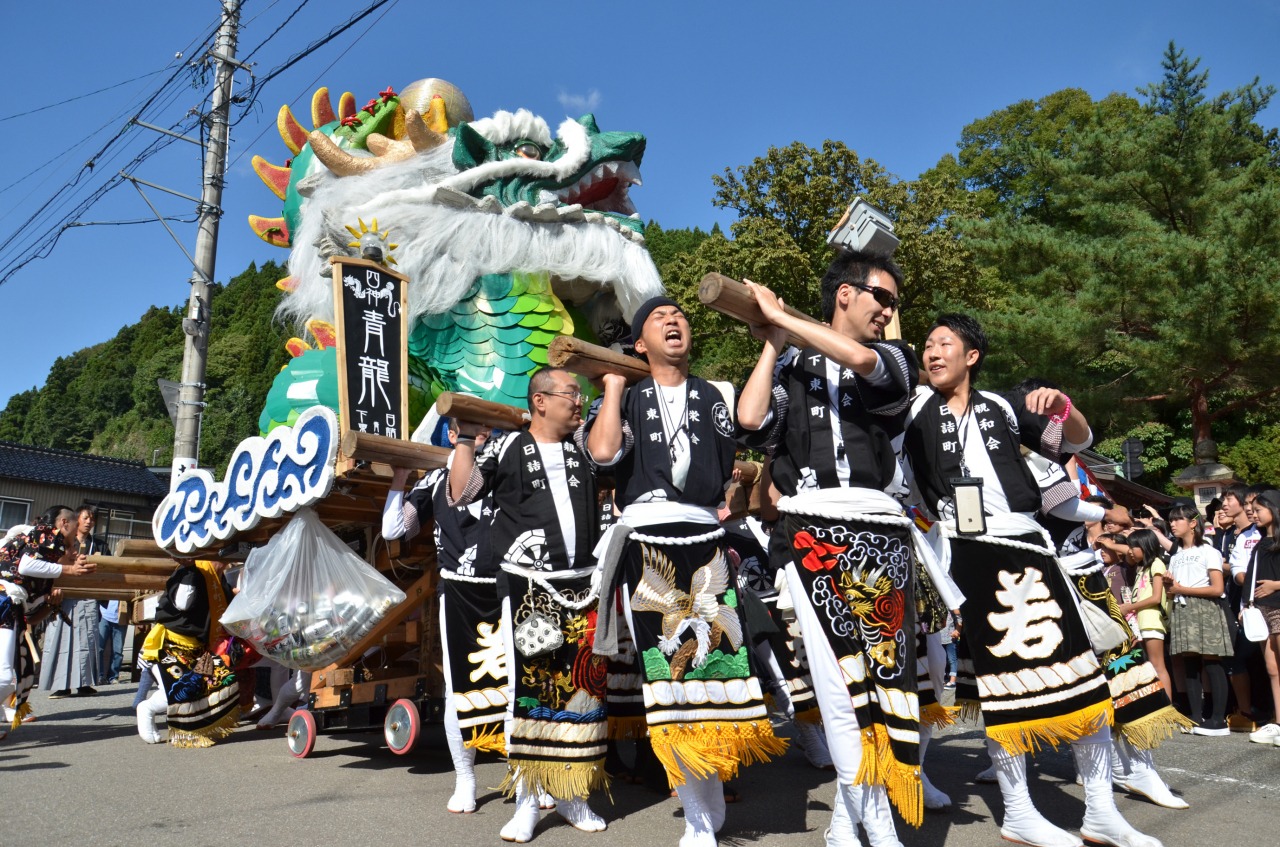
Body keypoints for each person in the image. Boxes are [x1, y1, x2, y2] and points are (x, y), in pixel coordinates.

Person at [901, 313, 1159, 847]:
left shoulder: (1002, 407)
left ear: (971, 356)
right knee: (1004, 691)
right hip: (970, 553)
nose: (931, 351)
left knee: (1085, 679)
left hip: (1033, 549)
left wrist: (1063, 405)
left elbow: (1077, 439)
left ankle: (1101, 810)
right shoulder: (910, 409)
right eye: (926, 344)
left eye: (943, 343)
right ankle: (1018, 811)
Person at [735, 253, 950, 846]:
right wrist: (774, 342)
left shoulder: (897, 360)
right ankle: (872, 822)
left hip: (878, 527)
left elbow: (859, 360)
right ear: (845, 294)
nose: (888, 311)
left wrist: (782, 314)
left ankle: (848, 818)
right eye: (881, 297)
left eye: (893, 302)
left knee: (885, 678)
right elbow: (750, 419)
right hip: (809, 528)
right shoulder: (794, 362)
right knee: (834, 680)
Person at [586, 296, 786, 847]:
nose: (673, 321)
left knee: (718, 664)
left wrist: (773, 342)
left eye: (679, 315)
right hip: (648, 541)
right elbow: (603, 455)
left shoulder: (714, 393)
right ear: (640, 343)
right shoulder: (628, 395)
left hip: (705, 537)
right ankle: (697, 816)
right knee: (669, 674)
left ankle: (711, 788)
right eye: (658, 318)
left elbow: (752, 419)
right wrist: (612, 385)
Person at [450, 367, 609, 843]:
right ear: (540, 401)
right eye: (570, 394)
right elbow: (462, 494)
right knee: (532, 691)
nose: (578, 402)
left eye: (580, 395)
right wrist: (463, 440)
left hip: (583, 586)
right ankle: (526, 801)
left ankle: (572, 794)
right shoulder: (508, 447)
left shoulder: (585, 449)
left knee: (583, 689)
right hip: (528, 588)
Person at [383, 419, 507, 814]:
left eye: (486, 429)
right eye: (470, 429)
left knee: (517, 686)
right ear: (453, 435)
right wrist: (400, 478)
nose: (480, 436)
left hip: (508, 586)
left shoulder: (503, 470)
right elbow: (392, 529)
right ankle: (465, 777)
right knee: (460, 689)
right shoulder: (437, 479)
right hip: (459, 592)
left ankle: (525, 776)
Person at [0, 506, 95, 739]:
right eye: (72, 544)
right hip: (3, 600)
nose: (73, 550)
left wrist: (51, 605)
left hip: (9, 608)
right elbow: (25, 565)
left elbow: (30, 618)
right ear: (64, 523)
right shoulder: (46, 535)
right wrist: (70, 569)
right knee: (5, 677)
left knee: (10, 678)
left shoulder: (46, 574)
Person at [136, 559, 240, 746]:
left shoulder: (219, 578)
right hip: (170, 643)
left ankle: (197, 728)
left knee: (214, 684)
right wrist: (189, 569)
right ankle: (147, 709)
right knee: (180, 688)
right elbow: (182, 603)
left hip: (200, 648)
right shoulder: (190, 572)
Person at [1163, 503, 1233, 737]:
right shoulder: (1176, 555)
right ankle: (1195, 716)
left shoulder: (1209, 551)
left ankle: (1218, 720)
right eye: (1171, 520)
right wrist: (1169, 588)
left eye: (1177, 520)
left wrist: (1181, 588)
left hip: (1206, 608)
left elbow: (1217, 588)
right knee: (1190, 664)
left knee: (1212, 661)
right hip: (1182, 609)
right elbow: (1173, 591)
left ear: (1193, 523)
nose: (1172, 524)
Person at [40, 505, 102, 697]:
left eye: (92, 519)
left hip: (87, 594)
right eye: (85, 518)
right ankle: (62, 685)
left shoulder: (99, 544)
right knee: (61, 639)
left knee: (86, 639)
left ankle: (84, 683)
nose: (89, 522)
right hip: (63, 594)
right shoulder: (61, 540)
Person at [1219, 484, 1260, 732]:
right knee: (1238, 657)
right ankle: (1246, 712)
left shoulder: (1261, 534)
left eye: (1229, 498)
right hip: (1241, 603)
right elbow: (1238, 573)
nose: (1224, 504)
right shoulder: (1239, 536)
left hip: (1267, 602)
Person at [1242, 489, 1280, 746]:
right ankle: (1278, 722)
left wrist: (1276, 585)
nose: (1253, 514)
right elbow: (1250, 575)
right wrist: (1245, 604)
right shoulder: (1260, 542)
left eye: (1258, 510)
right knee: (1272, 669)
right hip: (1260, 609)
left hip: (1278, 604)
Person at [1120, 530, 1173, 701]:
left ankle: (1168, 707)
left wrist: (1129, 607)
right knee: (1150, 666)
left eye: (1132, 547)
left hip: (1152, 620)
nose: (1129, 551)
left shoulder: (1157, 564)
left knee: (1158, 666)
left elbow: (1156, 597)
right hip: (1142, 621)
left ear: (1144, 546)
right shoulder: (1143, 567)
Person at [97, 599, 126, 685]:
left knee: (118, 651)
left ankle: (113, 677)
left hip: (121, 617)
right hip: (104, 615)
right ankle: (100, 676)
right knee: (99, 648)